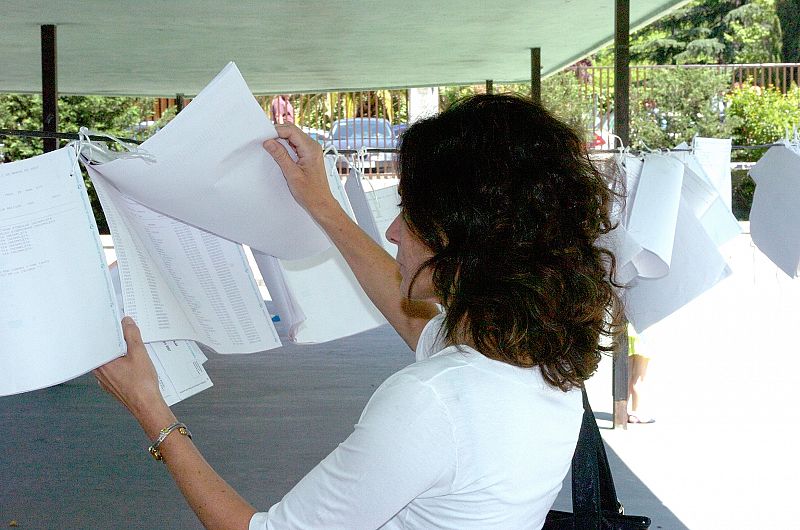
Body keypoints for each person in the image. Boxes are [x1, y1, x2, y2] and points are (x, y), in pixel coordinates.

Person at [94, 94, 622, 529]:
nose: (393, 232)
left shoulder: (433, 402)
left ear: (464, 242)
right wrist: (322, 203)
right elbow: (414, 318)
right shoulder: (536, 352)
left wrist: (151, 409)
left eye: (409, 215)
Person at [627, 323, 655, 424]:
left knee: (627, 377)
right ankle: (635, 413)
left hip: (627, 332)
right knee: (638, 379)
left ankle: (623, 412)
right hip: (642, 335)